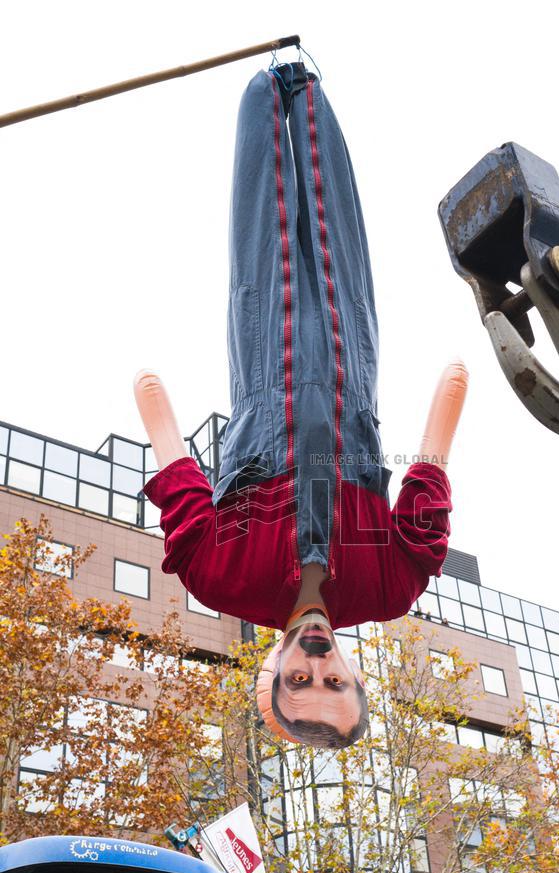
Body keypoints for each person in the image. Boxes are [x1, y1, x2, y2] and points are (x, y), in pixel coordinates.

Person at [134, 64, 468, 749]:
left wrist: (158, 417)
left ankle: (263, 94)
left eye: (299, 683)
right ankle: (309, 92)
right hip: (351, 386)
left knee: (261, 243)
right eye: (334, 683)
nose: (316, 667)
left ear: (273, 670)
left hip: (265, 378)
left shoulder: (221, 581)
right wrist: (447, 407)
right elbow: (427, 488)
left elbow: (181, 489)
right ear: (352, 675)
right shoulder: (388, 589)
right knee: (339, 247)